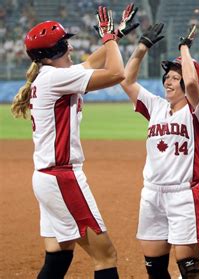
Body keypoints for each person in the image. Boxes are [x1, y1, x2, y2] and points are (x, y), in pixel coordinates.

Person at [10, 4, 138, 278]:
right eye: (64, 44)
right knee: (106, 256)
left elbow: (93, 62)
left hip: (48, 177)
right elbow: (117, 73)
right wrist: (108, 39)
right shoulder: (56, 78)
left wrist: (116, 36)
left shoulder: (51, 76)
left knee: (58, 255)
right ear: (52, 53)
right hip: (62, 178)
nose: (70, 48)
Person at [120, 23, 199, 279]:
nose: (169, 81)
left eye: (175, 76)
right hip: (152, 195)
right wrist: (142, 47)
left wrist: (184, 47)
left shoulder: (197, 110)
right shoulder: (156, 106)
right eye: (167, 76)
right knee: (156, 271)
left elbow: (192, 82)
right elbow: (126, 80)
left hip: (183, 195)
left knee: (189, 271)